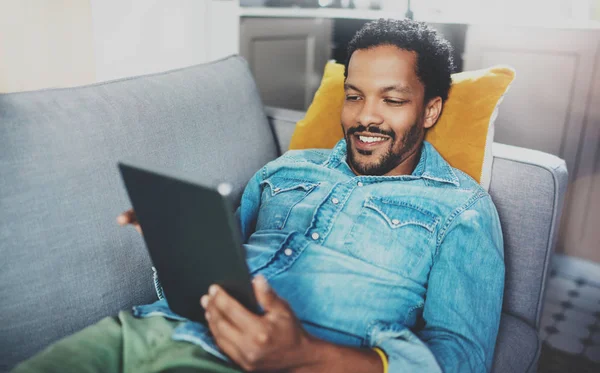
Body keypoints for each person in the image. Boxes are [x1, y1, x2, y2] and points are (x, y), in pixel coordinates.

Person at [13, 18, 504, 373]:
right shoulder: (286, 168)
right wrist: (177, 241)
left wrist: (306, 355)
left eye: (393, 100)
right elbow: (216, 271)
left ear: (431, 110)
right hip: (139, 333)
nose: (364, 117)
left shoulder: (460, 207)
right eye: (353, 95)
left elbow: (461, 358)